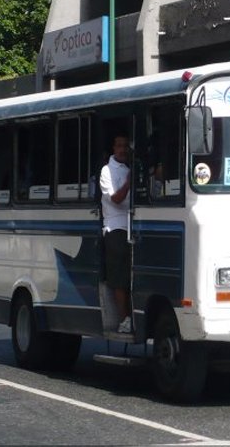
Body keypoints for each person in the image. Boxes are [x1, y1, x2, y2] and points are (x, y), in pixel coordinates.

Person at [99, 134, 132, 333]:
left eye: (125, 146)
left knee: (130, 277)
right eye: (119, 146)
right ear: (113, 147)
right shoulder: (107, 171)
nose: (122, 150)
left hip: (132, 226)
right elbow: (116, 199)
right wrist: (129, 183)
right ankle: (124, 319)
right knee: (119, 278)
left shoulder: (129, 169)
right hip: (115, 228)